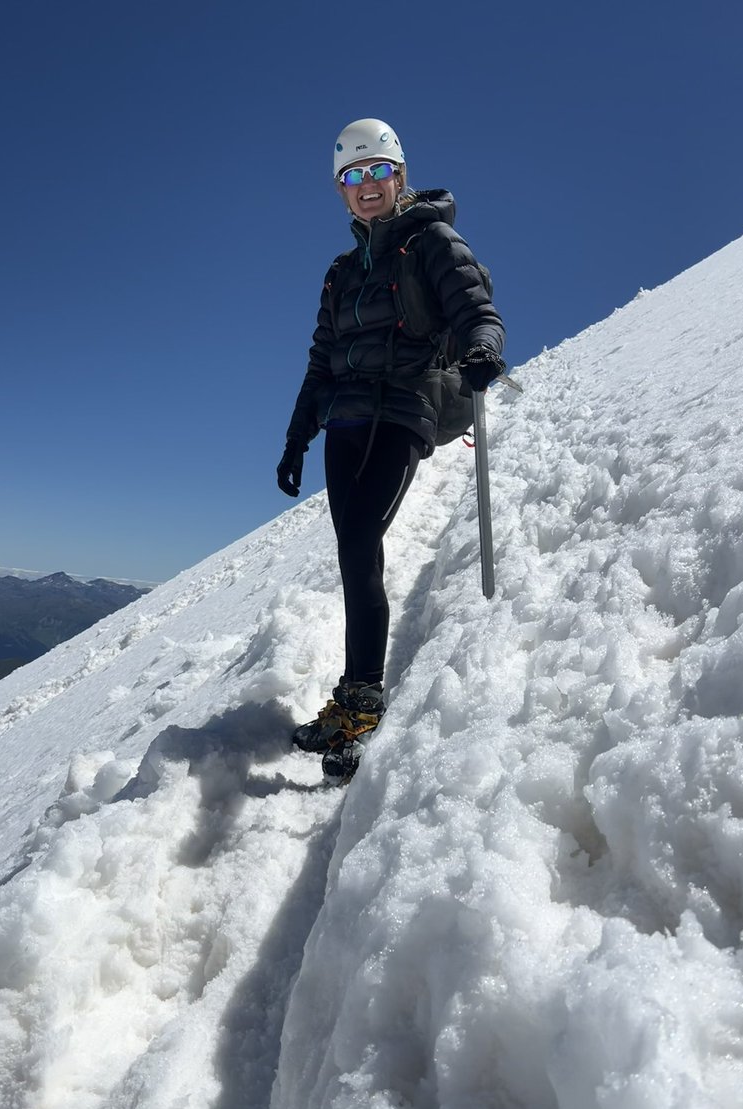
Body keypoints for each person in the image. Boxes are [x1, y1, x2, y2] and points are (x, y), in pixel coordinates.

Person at [277, 117, 506, 781]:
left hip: (405, 408)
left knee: (357, 543)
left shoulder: (430, 240)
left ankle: (366, 703)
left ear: (400, 177)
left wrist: (483, 347)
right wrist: (298, 436)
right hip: (346, 422)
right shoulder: (341, 272)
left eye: (378, 171)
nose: (367, 185)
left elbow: (475, 309)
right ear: (341, 192)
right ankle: (352, 695)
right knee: (356, 553)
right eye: (353, 176)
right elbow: (322, 359)